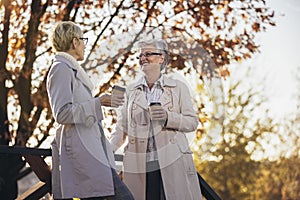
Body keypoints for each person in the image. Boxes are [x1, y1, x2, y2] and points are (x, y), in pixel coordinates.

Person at [47, 21, 134, 200]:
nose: (85, 44)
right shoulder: (61, 69)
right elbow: (61, 113)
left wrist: (100, 102)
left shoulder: (70, 69)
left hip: (92, 151)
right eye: (83, 39)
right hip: (82, 152)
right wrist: (97, 103)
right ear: (74, 42)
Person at [109, 39, 202, 200]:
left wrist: (168, 117)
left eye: (148, 54)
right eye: (140, 55)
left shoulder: (178, 88)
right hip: (139, 164)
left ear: (162, 58)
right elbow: (121, 128)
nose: (143, 58)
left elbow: (192, 122)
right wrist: (107, 151)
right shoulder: (131, 90)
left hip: (171, 161)